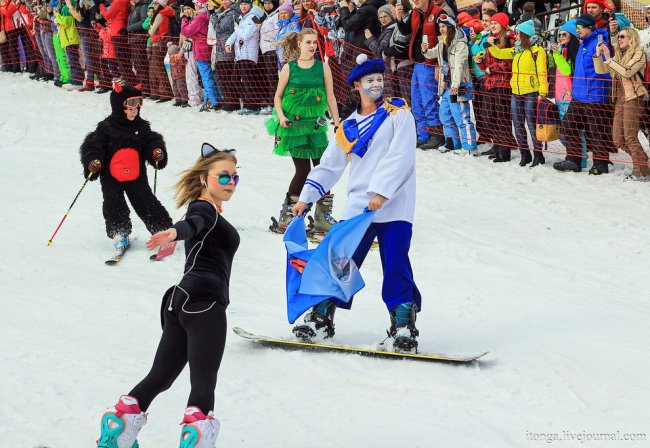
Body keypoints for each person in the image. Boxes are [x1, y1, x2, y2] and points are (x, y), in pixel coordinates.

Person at [95, 145, 240, 448]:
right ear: (204, 178)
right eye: (223, 176)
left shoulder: (207, 209)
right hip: (204, 302)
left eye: (235, 178)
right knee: (203, 382)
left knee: (161, 375)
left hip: (180, 300)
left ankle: (121, 423)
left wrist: (178, 232)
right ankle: (198, 436)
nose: (230, 183)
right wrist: (174, 233)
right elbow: (192, 224)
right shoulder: (204, 209)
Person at [291, 55, 422, 353]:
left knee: (396, 265)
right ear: (357, 86)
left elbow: (401, 156)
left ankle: (403, 325)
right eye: (369, 81)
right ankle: (321, 318)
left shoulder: (398, 114)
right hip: (359, 207)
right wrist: (306, 198)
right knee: (339, 261)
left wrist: (382, 192)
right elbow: (330, 165)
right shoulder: (349, 125)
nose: (376, 85)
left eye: (379, 80)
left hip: (394, 205)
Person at [79, 82, 173, 252]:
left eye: (137, 107)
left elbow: (152, 141)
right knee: (114, 203)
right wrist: (93, 161)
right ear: (118, 107)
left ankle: (162, 230)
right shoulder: (106, 128)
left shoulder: (142, 127)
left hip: (136, 175)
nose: (133, 111)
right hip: (111, 176)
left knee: (146, 201)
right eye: (129, 108)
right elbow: (92, 146)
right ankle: (119, 233)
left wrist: (156, 151)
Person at [266, 27, 340, 235]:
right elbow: (278, 97)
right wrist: (281, 116)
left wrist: (336, 122)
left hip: (315, 126)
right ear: (299, 44)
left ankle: (322, 217)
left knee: (322, 169)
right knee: (303, 170)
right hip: (294, 126)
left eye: (314, 43)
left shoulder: (323, 67)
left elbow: (331, 96)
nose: (312, 46)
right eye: (308, 42)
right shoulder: (289, 68)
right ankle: (288, 214)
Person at [554, 13, 613, 174]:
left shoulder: (599, 44)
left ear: (590, 27)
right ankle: (573, 160)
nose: (577, 30)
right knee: (568, 123)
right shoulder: (583, 44)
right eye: (576, 27)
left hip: (594, 95)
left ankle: (601, 163)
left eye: (580, 27)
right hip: (578, 95)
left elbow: (606, 71)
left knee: (596, 130)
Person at [485, 19, 548, 167]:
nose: (516, 36)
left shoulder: (537, 50)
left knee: (531, 125)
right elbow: (500, 54)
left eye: (518, 33)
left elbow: (543, 72)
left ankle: (538, 155)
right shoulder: (516, 49)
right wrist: (490, 44)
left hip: (531, 92)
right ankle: (524, 154)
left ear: (525, 34)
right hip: (516, 91)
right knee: (518, 125)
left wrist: (543, 92)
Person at [594, 27, 649, 181]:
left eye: (623, 36)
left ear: (632, 38)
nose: (619, 39)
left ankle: (639, 171)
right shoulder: (619, 55)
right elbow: (601, 70)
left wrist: (609, 58)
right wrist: (599, 56)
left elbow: (627, 72)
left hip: (634, 97)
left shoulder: (639, 54)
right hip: (620, 99)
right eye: (618, 37)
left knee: (630, 137)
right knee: (618, 139)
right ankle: (642, 160)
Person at [422, 14, 478, 155]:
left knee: (462, 116)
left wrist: (456, 85)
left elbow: (460, 65)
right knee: (445, 115)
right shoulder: (442, 43)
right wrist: (425, 50)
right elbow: (432, 54)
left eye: (444, 26)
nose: (441, 29)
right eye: (440, 26)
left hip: (458, 87)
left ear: (451, 27)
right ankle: (453, 143)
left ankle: (470, 147)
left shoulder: (461, 45)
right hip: (446, 86)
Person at [395, 0, 445, 150]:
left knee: (429, 100)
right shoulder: (415, 13)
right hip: (417, 62)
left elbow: (444, 41)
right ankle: (422, 134)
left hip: (430, 62)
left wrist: (439, 63)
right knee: (416, 101)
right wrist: (398, 17)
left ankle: (437, 134)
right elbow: (405, 30)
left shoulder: (438, 13)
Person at [550, 19, 587, 169]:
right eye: (559, 35)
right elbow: (555, 68)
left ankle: (580, 159)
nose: (561, 37)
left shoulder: (573, 51)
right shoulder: (562, 50)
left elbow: (566, 70)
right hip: (559, 96)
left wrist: (557, 54)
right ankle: (572, 156)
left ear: (571, 34)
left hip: (569, 96)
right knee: (565, 131)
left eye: (564, 34)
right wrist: (555, 53)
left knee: (573, 131)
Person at [225, 0, 264, 114]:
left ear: (250, 5)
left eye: (245, 4)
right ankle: (242, 103)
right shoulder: (243, 17)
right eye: (241, 4)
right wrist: (228, 43)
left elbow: (246, 35)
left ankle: (252, 106)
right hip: (240, 54)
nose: (243, 6)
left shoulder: (254, 17)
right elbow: (235, 34)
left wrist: (236, 26)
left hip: (249, 54)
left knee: (248, 81)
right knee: (235, 80)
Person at [182, 0, 221, 111]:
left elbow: (187, 31)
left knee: (206, 75)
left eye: (196, 3)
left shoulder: (200, 17)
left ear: (200, 5)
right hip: (208, 48)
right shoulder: (208, 14)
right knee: (212, 75)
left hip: (201, 48)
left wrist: (184, 20)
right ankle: (217, 99)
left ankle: (211, 101)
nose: (194, 6)